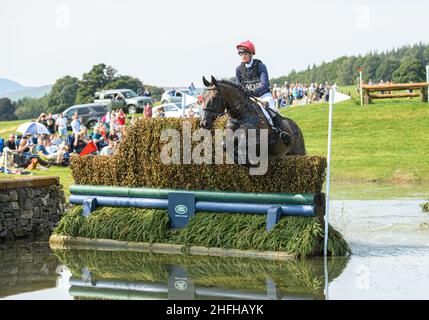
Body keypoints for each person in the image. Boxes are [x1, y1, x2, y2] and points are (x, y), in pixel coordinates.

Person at [235, 40, 291, 145]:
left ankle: (280, 132)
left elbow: (265, 84)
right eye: (241, 54)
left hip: (263, 96)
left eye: (245, 54)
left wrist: (252, 92)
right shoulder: (239, 69)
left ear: (251, 54)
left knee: (270, 110)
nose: (243, 56)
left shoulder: (260, 66)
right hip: (249, 98)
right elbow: (239, 86)